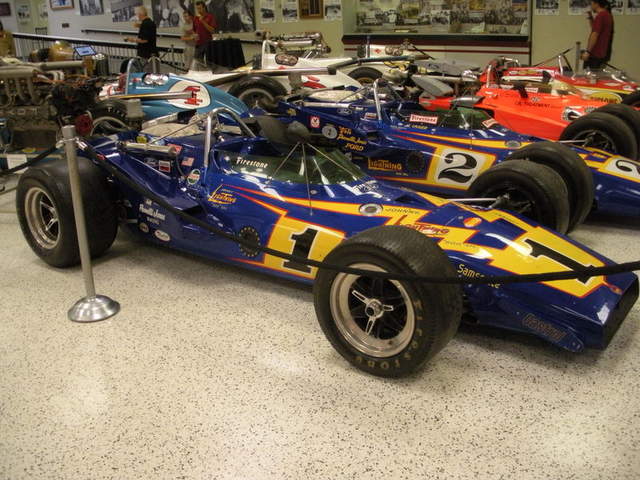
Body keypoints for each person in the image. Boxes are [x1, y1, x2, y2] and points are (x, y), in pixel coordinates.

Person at [581, 0, 614, 70]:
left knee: (589, 75)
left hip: (595, 54)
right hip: (601, 54)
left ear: (596, 4)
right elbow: (594, 28)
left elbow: (595, 34)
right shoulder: (607, 14)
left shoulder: (601, 16)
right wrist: (590, 16)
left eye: (592, 3)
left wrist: (587, 52)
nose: (591, 6)